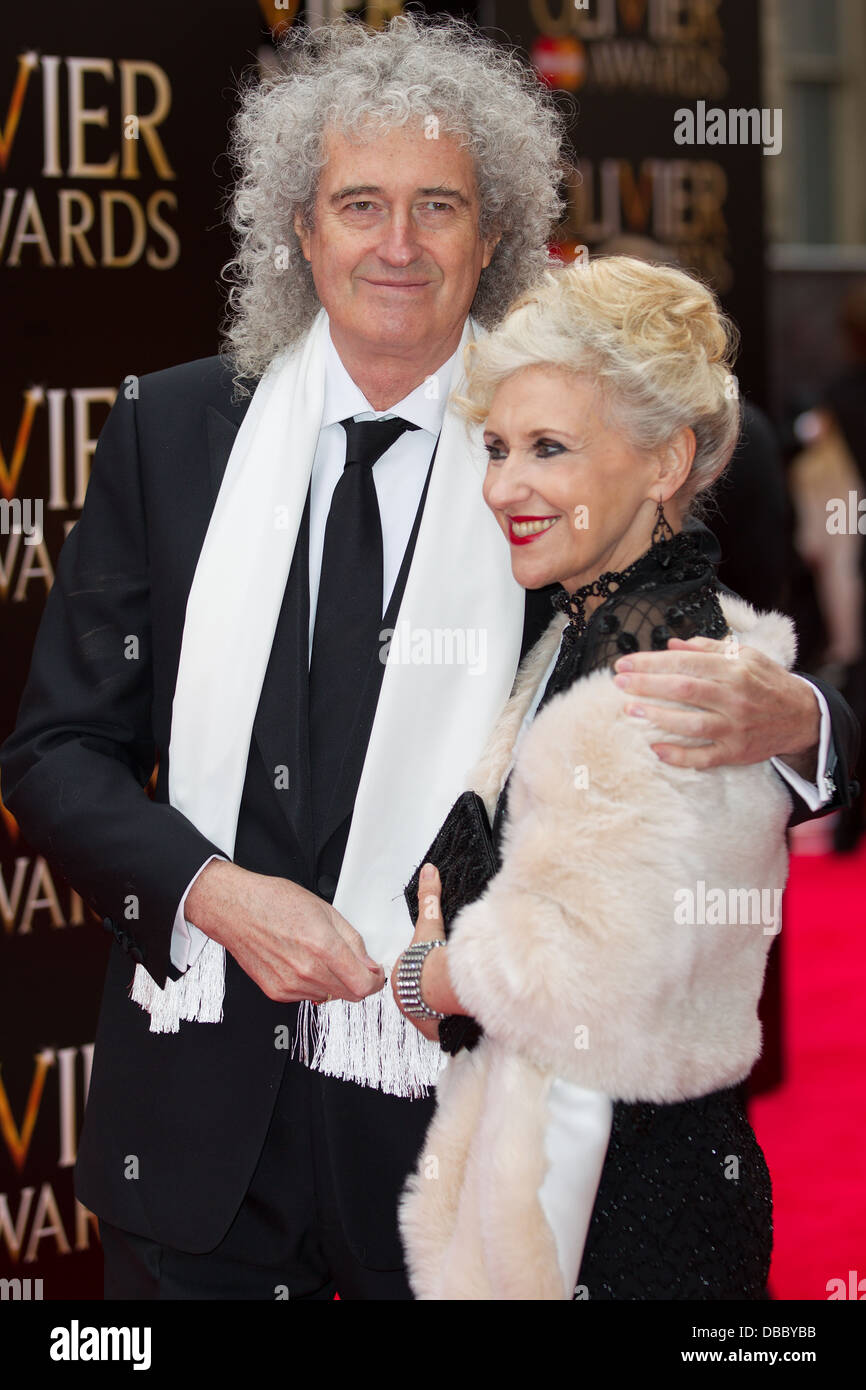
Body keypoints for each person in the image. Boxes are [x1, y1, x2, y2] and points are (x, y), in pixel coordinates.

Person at [0, 17, 858, 1301]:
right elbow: (56, 753)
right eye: (359, 203)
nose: (395, 245)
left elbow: (703, 646)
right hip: (194, 1123)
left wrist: (799, 718)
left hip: (456, 1153)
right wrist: (211, 893)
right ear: (302, 228)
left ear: (490, 234)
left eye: (436, 205)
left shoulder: (563, 438)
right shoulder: (170, 430)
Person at [395, 256, 808, 1299]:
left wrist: (428, 975)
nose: (502, 486)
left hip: (624, 1207)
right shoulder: (577, 640)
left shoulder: (664, 678)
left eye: (547, 449)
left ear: (665, 459)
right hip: (581, 1172)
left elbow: (579, 972)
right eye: (493, 447)